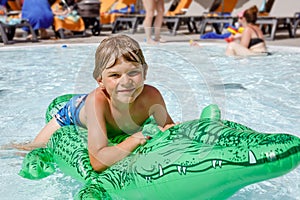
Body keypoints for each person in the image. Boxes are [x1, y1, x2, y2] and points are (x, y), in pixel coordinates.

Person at [15, 35, 175, 172]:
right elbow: (98, 162)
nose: (126, 82)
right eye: (115, 75)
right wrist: (133, 140)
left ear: (145, 72)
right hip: (72, 113)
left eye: (133, 72)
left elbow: (168, 126)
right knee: (32, 149)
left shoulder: (151, 96)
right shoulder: (97, 103)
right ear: (100, 80)